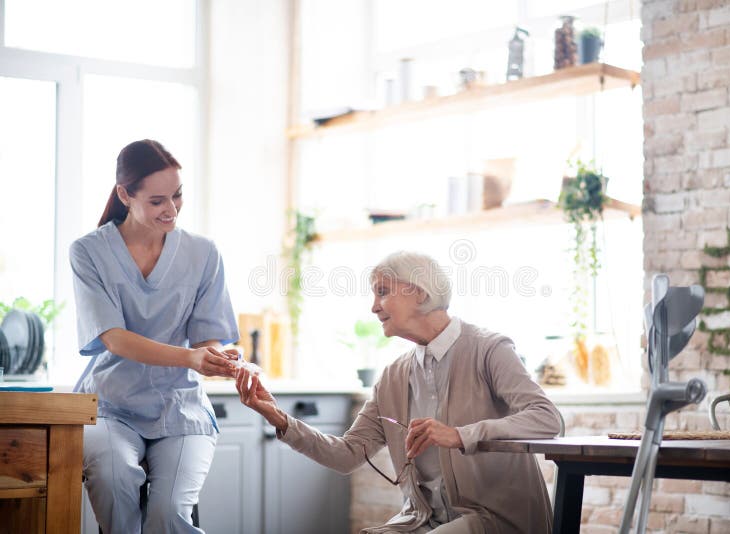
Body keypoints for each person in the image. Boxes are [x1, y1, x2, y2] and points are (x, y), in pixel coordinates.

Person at [236, 251, 561, 533]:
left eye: (382, 292)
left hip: (493, 519)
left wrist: (460, 435)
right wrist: (276, 416)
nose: (374, 307)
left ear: (418, 293)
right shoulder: (393, 376)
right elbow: (348, 455)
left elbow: (546, 418)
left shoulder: (489, 349)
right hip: (423, 521)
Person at [71, 139, 239, 533]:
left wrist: (219, 357)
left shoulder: (203, 253)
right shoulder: (88, 252)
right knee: (114, 482)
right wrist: (192, 359)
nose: (172, 209)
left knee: (169, 512)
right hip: (110, 405)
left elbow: (206, 339)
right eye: (158, 201)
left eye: (178, 196)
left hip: (180, 407)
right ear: (125, 195)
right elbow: (114, 338)